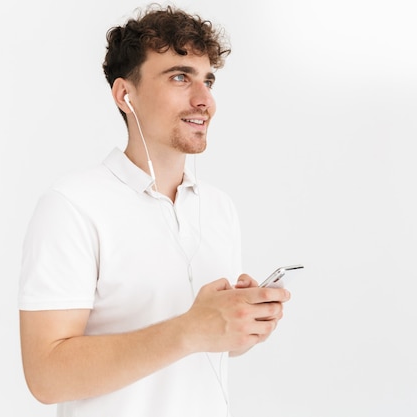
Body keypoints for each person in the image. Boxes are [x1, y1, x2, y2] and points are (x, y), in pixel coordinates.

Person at [18, 4, 291, 417]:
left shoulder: (218, 208)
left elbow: (206, 348)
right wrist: (191, 329)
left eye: (208, 80)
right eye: (181, 77)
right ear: (125, 94)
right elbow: (46, 376)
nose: (205, 100)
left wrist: (239, 326)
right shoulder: (72, 206)